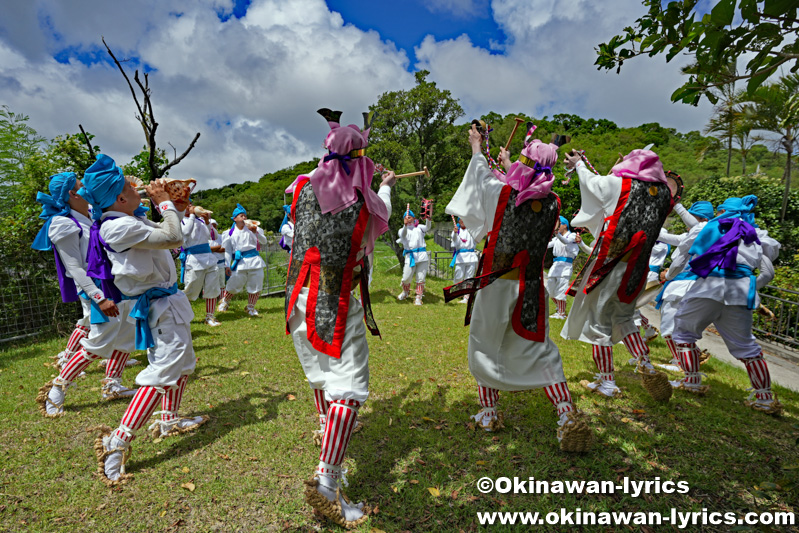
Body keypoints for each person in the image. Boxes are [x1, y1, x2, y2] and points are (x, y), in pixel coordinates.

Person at [444, 123, 593, 452]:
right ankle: (566, 414)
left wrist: (476, 146)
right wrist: (510, 162)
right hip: (530, 287)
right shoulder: (552, 203)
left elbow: (481, 176)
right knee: (539, 347)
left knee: (484, 345)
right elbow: (519, 184)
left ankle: (489, 412)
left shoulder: (501, 194)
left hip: (495, 286)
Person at [283, 108, 396, 527]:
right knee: (348, 385)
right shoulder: (361, 199)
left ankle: (324, 433)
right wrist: (384, 186)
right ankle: (327, 481)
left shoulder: (300, 188)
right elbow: (378, 212)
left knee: (319, 373)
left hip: (298, 295)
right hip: (334, 300)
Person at [77, 155, 207, 485]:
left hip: (167, 303)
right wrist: (164, 204)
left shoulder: (128, 218)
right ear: (119, 198)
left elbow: (169, 234)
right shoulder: (117, 225)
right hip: (158, 306)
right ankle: (116, 442)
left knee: (184, 364)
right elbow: (173, 238)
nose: (139, 190)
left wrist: (172, 204)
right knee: (162, 372)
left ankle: (168, 419)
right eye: (131, 188)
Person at [561, 149, 674, 402]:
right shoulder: (664, 194)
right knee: (624, 318)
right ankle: (646, 364)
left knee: (598, 322)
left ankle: (607, 381)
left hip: (612, 264)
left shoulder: (620, 184)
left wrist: (579, 163)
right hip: (638, 268)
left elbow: (593, 184)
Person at [33, 171, 139, 417]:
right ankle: (58, 386)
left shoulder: (92, 216)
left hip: (120, 282)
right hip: (98, 289)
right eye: (81, 185)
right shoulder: (63, 223)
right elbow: (74, 268)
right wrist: (98, 298)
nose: (86, 188)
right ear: (72, 193)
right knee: (99, 341)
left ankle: (112, 384)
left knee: (126, 334)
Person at [670, 196, 782, 414]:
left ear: (723, 211)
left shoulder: (710, 228)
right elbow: (768, 273)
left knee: (684, 333)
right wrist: (747, 284)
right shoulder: (757, 235)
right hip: (739, 293)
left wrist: (673, 276)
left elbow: (684, 255)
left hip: (706, 289)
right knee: (747, 346)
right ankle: (765, 398)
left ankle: (692, 381)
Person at [651, 201, 714, 369]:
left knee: (670, 326)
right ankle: (690, 357)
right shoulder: (700, 234)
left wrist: (669, 274)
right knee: (678, 325)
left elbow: (680, 261)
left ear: (699, 218)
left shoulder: (700, 232)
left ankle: (680, 362)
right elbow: (667, 237)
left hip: (682, 284)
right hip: (689, 285)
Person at [218, 204, 267, 316]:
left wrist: (256, 232)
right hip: (239, 262)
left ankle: (250, 307)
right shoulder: (229, 233)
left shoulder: (254, 228)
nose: (244, 218)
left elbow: (264, 241)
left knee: (256, 284)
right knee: (234, 284)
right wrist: (227, 265)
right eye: (241, 216)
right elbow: (228, 250)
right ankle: (225, 301)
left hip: (255, 260)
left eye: (245, 215)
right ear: (235, 218)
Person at [180, 206, 222, 326]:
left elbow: (214, 237)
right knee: (191, 290)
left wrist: (208, 222)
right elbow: (185, 233)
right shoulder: (180, 221)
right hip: (194, 259)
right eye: (186, 205)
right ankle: (182, 316)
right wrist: (192, 216)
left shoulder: (201, 221)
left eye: (190, 204)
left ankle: (210, 316)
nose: (189, 207)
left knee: (212, 288)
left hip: (209, 257)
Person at [545, 216, 580, 319]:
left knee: (561, 290)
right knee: (549, 291)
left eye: (558, 225)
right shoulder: (557, 237)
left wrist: (556, 233)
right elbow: (547, 245)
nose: (557, 227)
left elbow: (565, 241)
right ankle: (559, 309)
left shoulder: (572, 235)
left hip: (565, 266)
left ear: (565, 225)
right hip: (555, 265)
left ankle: (562, 314)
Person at [397, 207, 431, 305]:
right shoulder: (402, 230)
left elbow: (427, 227)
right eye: (406, 217)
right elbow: (403, 234)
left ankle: (418, 297)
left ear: (414, 218)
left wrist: (428, 219)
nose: (409, 219)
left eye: (410, 217)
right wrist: (405, 225)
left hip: (422, 256)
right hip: (410, 257)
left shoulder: (419, 228)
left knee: (421, 278)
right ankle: (405, 292)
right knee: (406, 277)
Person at [450, 217, 479, 303]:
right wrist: (455, 233)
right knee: (458, 276)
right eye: (460, 219)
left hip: (471, 256)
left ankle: (466, 297)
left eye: (464, 219)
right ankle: (459, 291)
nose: (462, 221)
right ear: (458, 221)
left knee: (469, 278)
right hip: (461, 257)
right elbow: (454, 240)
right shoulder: (457, 230)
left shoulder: (471, 230)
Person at [208, 218, 228, 296]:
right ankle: (210, 298)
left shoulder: (221, 237)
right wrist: (219, 246)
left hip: (220, 263)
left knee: (221, 282)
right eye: (211, 226)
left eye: (214, 226)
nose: (212, 228)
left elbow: (224, 248)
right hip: (209, 263)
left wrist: (213, 249)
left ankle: (222, 298)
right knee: (209, 282)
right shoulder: (205, 238)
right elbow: (207, 249)